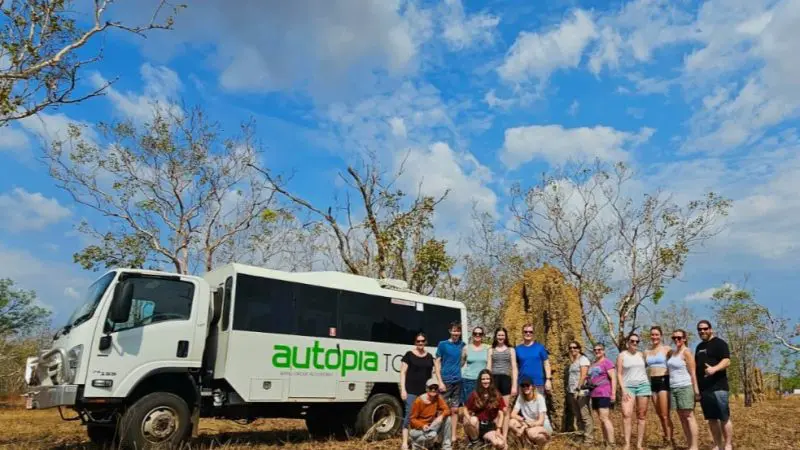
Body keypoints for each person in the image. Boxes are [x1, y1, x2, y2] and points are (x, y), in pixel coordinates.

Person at [695, 320, 733, 450]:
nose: (702, 331)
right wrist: (697, 390)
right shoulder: (699, 347)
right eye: (700, 329)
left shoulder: (720, 343)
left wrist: (714, 369)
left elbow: (727, 361)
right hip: (704, 389)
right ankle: (718, 445)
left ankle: (728, 445)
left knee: (724, 417)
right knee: (711, 419)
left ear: (711, 329)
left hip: (719, 387)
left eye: (705, 329)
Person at [617, 333, 651, 450]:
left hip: (643, 386)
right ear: (628, 342)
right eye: (632, 341)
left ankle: (639, 444)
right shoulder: (622, 355)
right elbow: (619, 374)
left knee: (641, 416)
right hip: (628, 387)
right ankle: (627, 444)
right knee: (626, 414)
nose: (635, 343)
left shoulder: (642, 355)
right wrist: (623, 389)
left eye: (637, 341)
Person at [401, 332, 435, 450]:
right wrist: (403, 389)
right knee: (409, 416)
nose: (420, 343)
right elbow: (403, 373)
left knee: (423, 417)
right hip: (410, 391)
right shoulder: (409, 355)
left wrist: (432, 391)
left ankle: (419, 442)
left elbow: (431, 375)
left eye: (422, 341)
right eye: (418, 341)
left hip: (424, 393)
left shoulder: (429, 356)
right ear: (415, 342)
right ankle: (405, 443)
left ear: (425, 342)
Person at [434, 321, 465, 450]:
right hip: (445, 381)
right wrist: (440, 381)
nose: (456, 333)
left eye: (458, 331)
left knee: (455, 409)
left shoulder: (462, 345)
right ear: (449, 331)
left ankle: (452, 437)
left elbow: (463, 360)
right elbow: (437, 363)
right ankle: (438, 437)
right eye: (454, 331)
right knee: (442, 410)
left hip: (457, 381)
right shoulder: (442, 345)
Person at [668, 329, 700, 450]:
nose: (676, 340)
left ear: (685, 339)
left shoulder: (686, 352)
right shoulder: (673, 353)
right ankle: (689, 444)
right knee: (681, 417)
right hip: (674, 387)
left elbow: (693, 373)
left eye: (679, 338)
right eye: (674, 338)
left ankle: (694, 446)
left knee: (689, 416)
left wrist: (696, 391)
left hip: (685, 386)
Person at [463, 369, 508, 449]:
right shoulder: (475, 394)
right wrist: (468, 418)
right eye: (483, 379)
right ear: (480, 381)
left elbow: (502, 412)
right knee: (472, 420)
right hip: (477, 425)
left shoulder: (496, 394)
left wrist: (498, 428)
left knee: (501, 444)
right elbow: (465, 408)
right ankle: (475, 442)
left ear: (491, 380)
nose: (485, 381)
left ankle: (485, 441)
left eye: (487, 379)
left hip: (489, 426)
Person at [487, 327, 518, 439]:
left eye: (502, 335)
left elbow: (514, 368)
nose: (501, 337)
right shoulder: (491, 350)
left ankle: (504, 436)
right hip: (494, 380)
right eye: (499, 335)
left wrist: (514, 385)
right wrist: (487, 383)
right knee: (494, 408)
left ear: (505, 337)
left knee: (505, 409)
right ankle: (496, 433)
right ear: (496, 336)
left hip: (506, 380)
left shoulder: (511, 350)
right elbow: (488, 367)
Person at [645, 325, 673, 446]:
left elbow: (677, 361)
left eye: (657, 334)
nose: (654, 337)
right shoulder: (646, 351)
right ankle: (666, 437)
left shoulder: (667, 349)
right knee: (660, 414)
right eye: (652, 334)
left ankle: (670, 441)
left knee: (665, 414)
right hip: (653, 382)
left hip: (664, 381)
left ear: (661, 336)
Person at [408, 378, 452, 450]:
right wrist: (422, 425)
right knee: (432, 435)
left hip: (431, 426)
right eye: (431, 388)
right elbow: (412, 419)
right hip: (418, 430)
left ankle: (446, 446)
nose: (433, 390)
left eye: (435, 388)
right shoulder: (419, 401)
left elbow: (447, 410)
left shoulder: (437, 398)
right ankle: (416, 443)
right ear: (426, 389)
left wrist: (441, 416)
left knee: (448, 419)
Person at [509, 375, 552, 447]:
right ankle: (526, 444)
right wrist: (523, 420)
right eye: (523, 386)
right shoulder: (521, 397)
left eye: (527, 385)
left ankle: (545, 443)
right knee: (511, 422)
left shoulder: (539, 398)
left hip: (542, 426)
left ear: (532, 386)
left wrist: (523, 427)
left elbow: (540, 421)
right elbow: (513, 414)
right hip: (528, 424)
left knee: (531, 433)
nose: (525, 387)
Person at [587, 343, 616, 447]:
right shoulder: (593, 363)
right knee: (601, 419)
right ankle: (605, 442)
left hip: (604, 392)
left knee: (605, 418)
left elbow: (613, 378)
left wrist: (613, 393)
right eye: (595, 350)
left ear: (603, 351)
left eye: (599, 349)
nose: (597, 351)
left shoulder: (607, 362)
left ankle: (612, 443)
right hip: (594, 394)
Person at [566, 340, 594, 444]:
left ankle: (589, 439)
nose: (573, 349)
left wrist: (578, 389)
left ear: (579, 349)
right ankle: (581, 436)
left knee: (585, 415)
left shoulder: (583, 359)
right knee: (577, 415)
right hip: (571, 391)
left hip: (582, 391)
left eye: (575, 347)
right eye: (571, 348)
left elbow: (583, 376)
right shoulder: (573, 361)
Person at [515, 323, 552, 395]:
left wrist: (548, 379)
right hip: (523, 384)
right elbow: (515, 367)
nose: (528, 333)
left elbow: (546, 364)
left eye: (530, 332)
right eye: (525, 331)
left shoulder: (540, 348)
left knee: (539, 405)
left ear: (533, 333)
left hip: (538, 384)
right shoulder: (517, 349)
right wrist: (515, 383)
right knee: (524, 406)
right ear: (522, 333)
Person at [460, 326, 489, 406]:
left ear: (483, 335)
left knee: (482, 405)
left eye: (480, 333)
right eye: (475, 333)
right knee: (468, 406)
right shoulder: (466, 348)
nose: (477, 335)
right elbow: (460, 364)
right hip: (468, 381)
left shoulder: (488, 348)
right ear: (472, 335)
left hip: (482, 381)